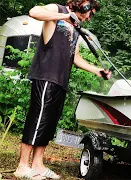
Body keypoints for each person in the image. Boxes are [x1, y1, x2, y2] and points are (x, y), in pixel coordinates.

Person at [13, 0, 111, 179]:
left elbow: (75, 57)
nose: (89, 17)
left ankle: (38, 165)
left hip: (60, 80)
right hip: (46, 76)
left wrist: (97, 71)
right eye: (91, 12)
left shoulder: (75, 28)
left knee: (48, 124)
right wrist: (66, 16)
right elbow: (34, 11)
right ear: (83, 4)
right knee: (37, 120)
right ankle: (22, 166)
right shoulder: (57, 10)